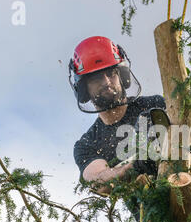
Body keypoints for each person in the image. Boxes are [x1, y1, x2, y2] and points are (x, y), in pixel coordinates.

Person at [69, 36, 166, 197]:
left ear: (122, 75)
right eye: (97, 78)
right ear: (84, 90)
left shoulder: (153, 105)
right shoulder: (88, 144)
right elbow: (98, 182)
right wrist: (134, 166)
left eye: (111, 73)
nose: (106, 82)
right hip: (149, 216)